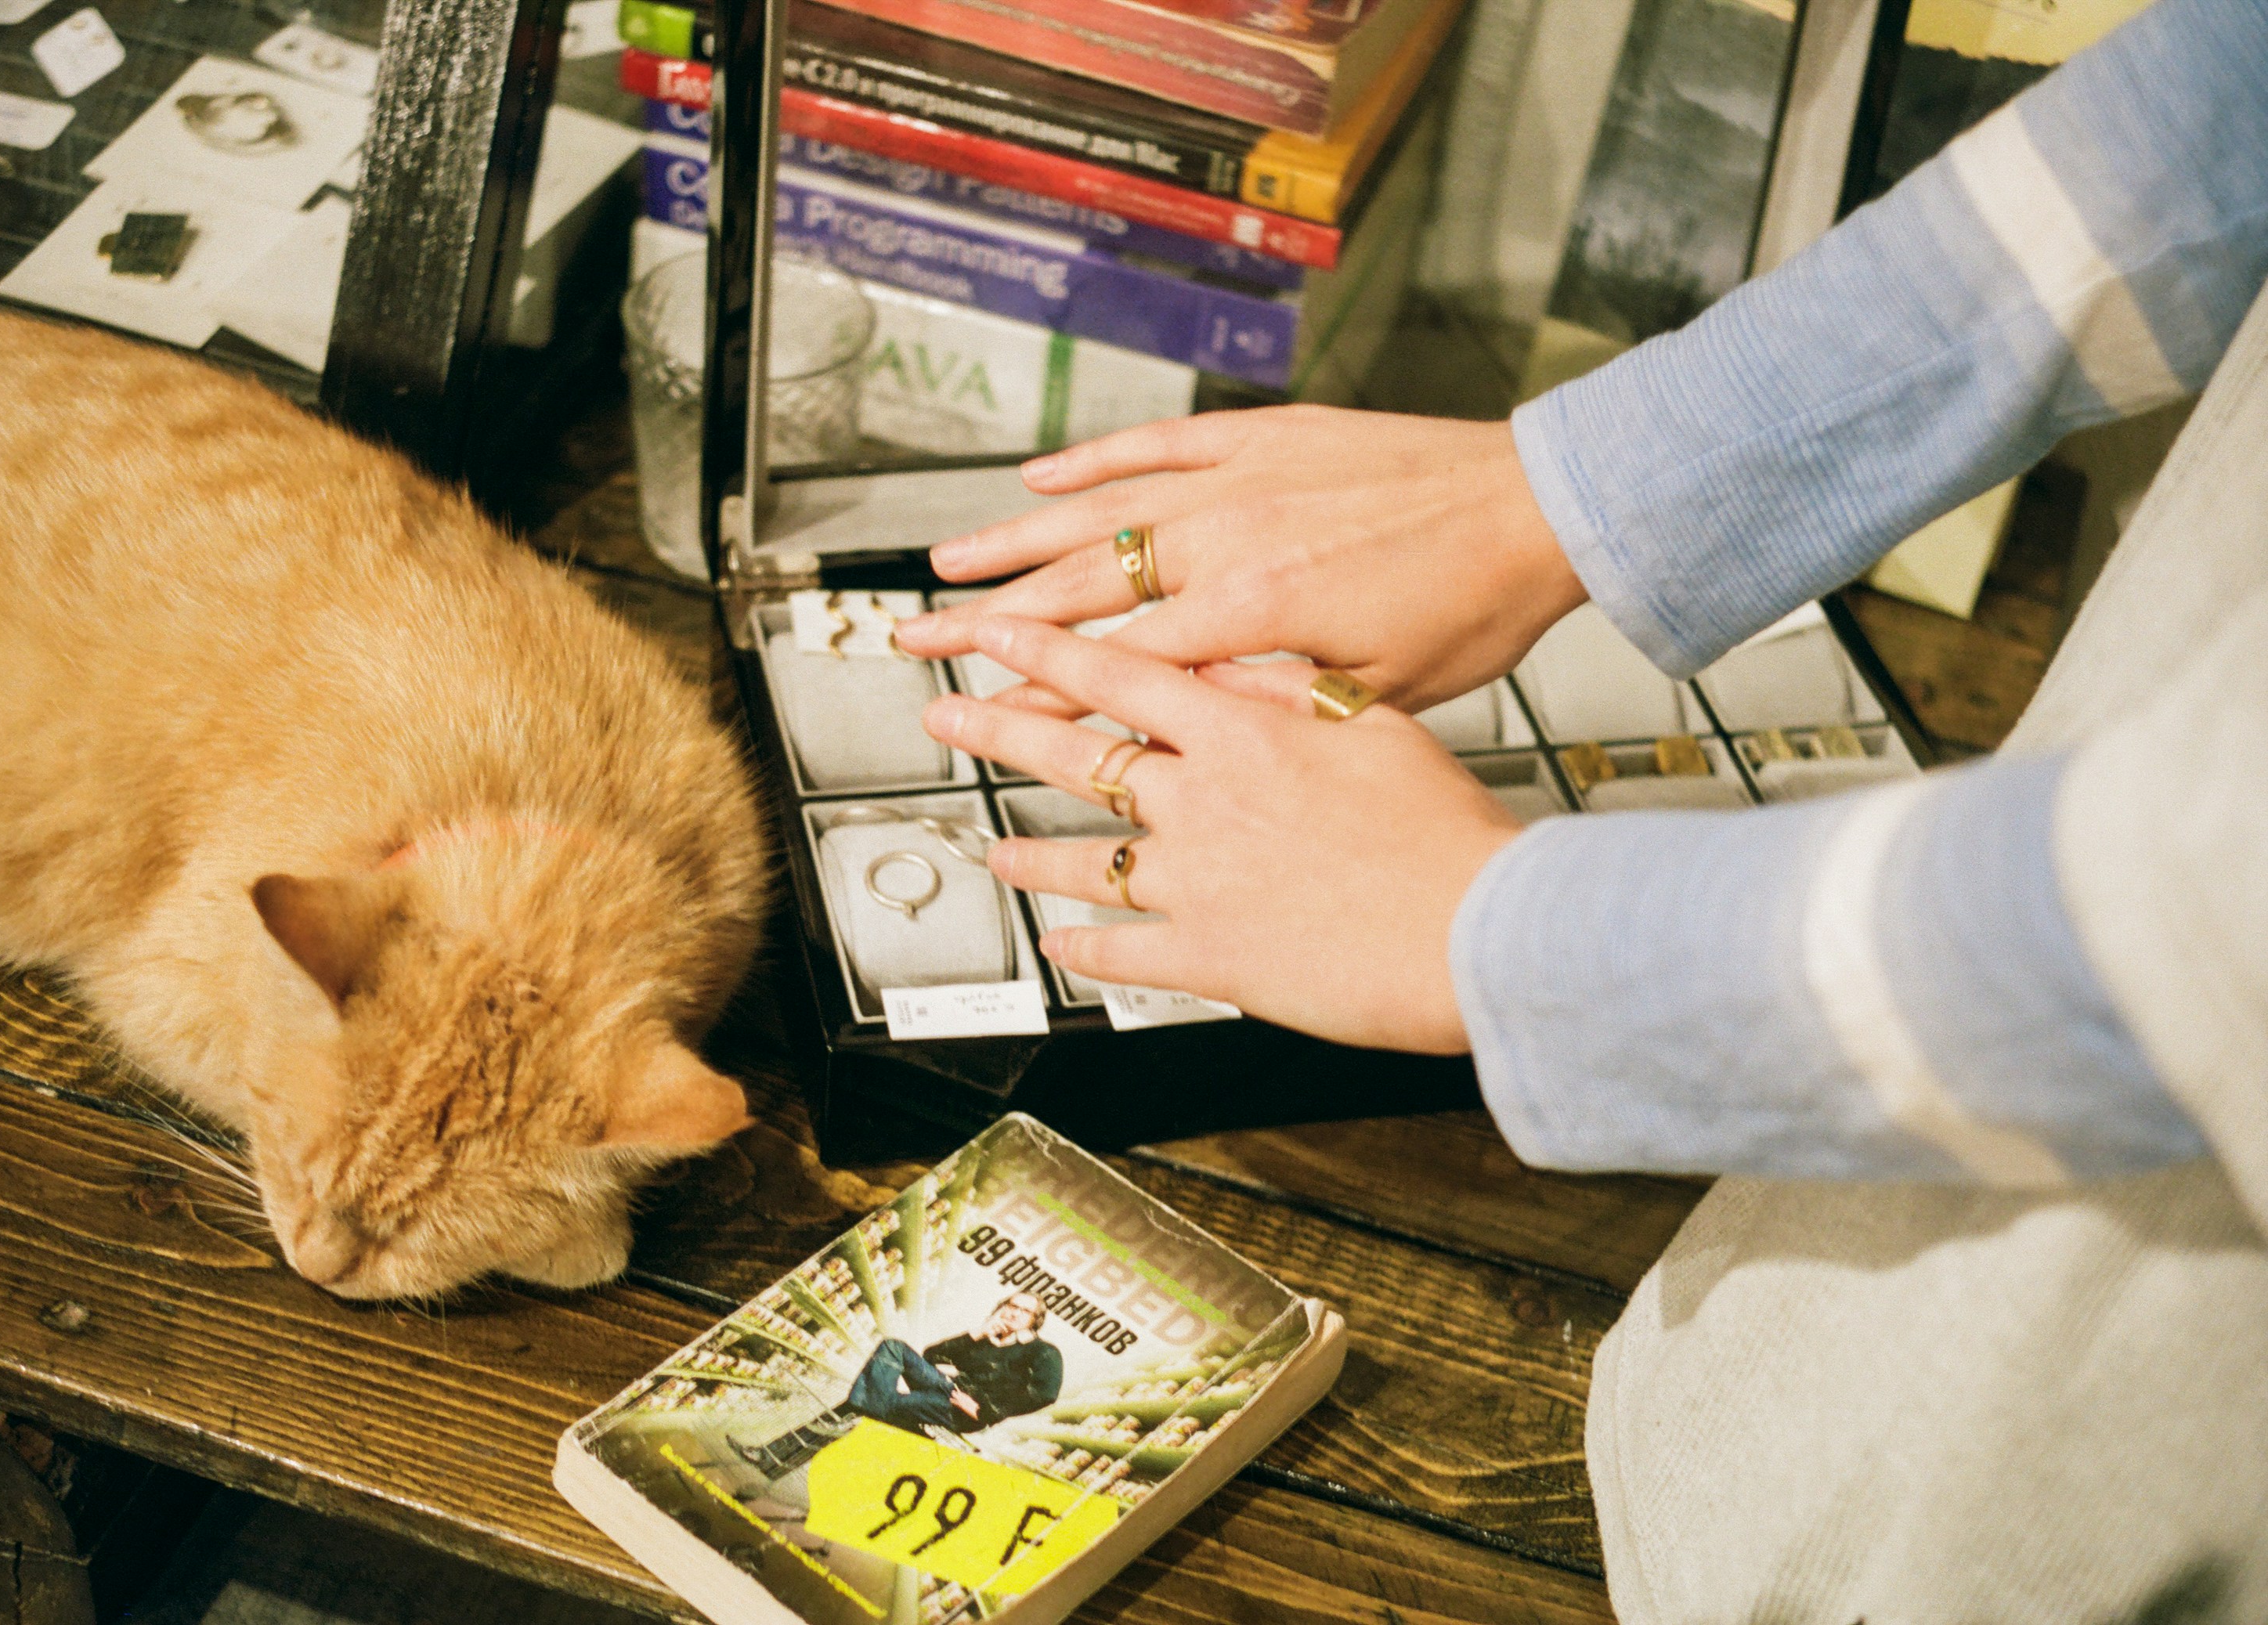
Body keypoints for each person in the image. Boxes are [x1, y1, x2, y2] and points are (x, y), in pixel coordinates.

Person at [890, 0, 2268, 1616]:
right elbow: (2234, 90)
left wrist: (1484, 930)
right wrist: (1567, 488)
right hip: (1812, 1331)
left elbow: (2203, 914)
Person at [735, 1294, 1063, 1480]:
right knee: (893, 1347)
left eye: (1023, 1311)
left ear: (1035, 1321)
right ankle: (866, 1410)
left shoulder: (1043, 1353)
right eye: (1010, 1306)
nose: (1013, 1312)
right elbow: (932, 1356)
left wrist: (985, 1411)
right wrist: (974, 1336)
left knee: (860, 1404)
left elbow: (1045, 1393)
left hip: (962, 1409)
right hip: (944, 1388)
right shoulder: (985, 1339)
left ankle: (770, 1457)